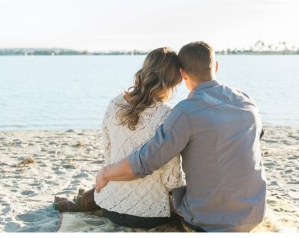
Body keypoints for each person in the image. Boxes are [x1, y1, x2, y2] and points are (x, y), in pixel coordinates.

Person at [95, 41, 267, 232]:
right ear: (216, 66)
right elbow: (256, 136)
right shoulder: (247, 101)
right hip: (254, 213)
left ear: (183, 74)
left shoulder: (185, 112)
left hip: (207, 220)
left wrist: (106, 173)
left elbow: (146, 162)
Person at [55, 47, 184, 229]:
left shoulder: (115, 102)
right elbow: (171, 179)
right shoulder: (168, 114)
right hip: (149, 216)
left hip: (109, 206)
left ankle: (83, 201)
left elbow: (109, 153)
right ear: (176, 78)